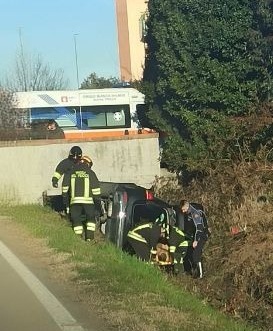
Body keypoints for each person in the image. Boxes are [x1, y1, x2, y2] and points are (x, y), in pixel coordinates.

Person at [62, 155, 101, 241]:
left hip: (74, 201)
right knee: (90, 218)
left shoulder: (71, 172)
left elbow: (65, 187)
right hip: (88, 202)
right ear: (88, 164)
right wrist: (97, 204)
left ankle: (78, 239)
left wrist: (65, 199)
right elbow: (96, 190)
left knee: (76, 219)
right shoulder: (90, 173)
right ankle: (89, 239)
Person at [178, 199, 210, 278]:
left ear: (187, 206)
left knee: (196, 255)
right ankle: (192, 272)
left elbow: (199, 228)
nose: (183, 212)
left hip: (202, 234)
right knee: (190, 253)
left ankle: (200, 275)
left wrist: (196, 240)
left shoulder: (195, 213)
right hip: (196, 235)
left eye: (184, 209)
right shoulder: (188, 213)